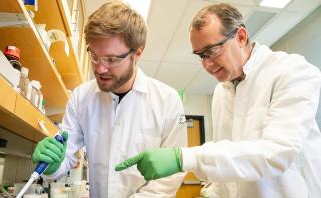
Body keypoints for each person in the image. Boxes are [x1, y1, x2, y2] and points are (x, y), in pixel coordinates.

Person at [115, 3, 321, 197]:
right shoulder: (221, 92)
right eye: (200, 55)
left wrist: (183, 158)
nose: (206, 64)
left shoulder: (292, 71)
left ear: (241, 37)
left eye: (211, 51)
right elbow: (230, 166)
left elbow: (276, 154)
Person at [32, 1, 187, 197]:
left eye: (112, 59)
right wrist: (51, 165)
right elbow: (66, 155)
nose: (99, 68)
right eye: (94, 56)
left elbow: (170, 176)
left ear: (138, 53)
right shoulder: (81, 97)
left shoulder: (167, 101)